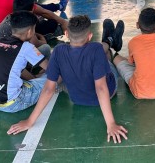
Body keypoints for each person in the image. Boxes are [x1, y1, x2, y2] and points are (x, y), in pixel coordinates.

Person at [7, 15, 128, 143]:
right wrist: (111, 124)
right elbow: (101, 88)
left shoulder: (58, 51)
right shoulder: (95, 49)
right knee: (105, 54)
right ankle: (109, 43)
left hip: (76, 98)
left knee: (63, 71)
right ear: (90, 36)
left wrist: (30, 121)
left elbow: (48, 89)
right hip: (107, 93)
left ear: (66, 33)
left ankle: (109, 41)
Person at [0, 11, 49, 113]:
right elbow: (50, 69)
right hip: (13, 104)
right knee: (51, 79)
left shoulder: (0, 42)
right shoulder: (26, 47)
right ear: (30, 31)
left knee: (26, 78)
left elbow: (15, 69)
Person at [113, 8, 155, 99]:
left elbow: (132, 63)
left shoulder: (133, 42)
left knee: (117, 58)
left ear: (137, 25)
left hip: (140, 91)